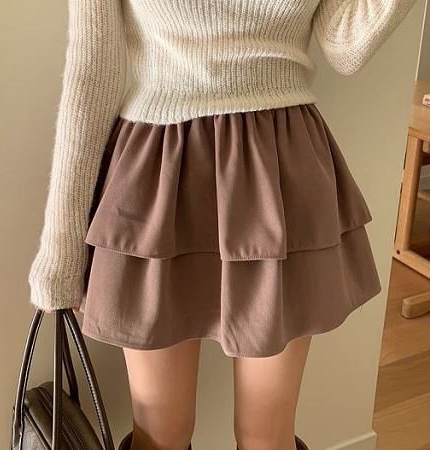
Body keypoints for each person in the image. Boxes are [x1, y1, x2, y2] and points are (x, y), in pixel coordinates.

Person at [27, 0, 419, 449]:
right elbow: (92, 72)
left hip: (280, 177)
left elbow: (346, 46)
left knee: (266, 437)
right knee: (161, 435)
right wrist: (61, 247)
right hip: (158, 180)